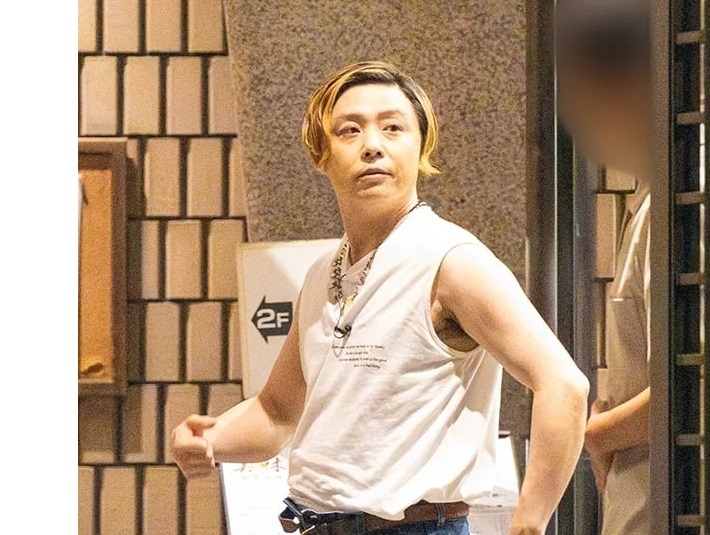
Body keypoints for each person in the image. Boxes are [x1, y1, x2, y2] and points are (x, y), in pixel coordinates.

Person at [171, 61, 589, 535]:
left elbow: (564, 386)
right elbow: (277, 411)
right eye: (349, 130)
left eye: (393, 127)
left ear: (421, 146)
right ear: (321, 154)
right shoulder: (322, 273)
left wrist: (529, 525)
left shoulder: (453, 260)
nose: (372, 145)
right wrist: (209, 440)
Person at [556, 1, 652, 534]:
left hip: (667, 500)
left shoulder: (685, 206)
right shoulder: (653, 198)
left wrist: (598, 433)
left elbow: (702, 381)